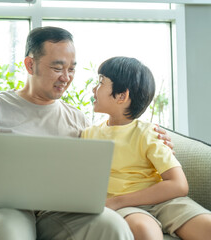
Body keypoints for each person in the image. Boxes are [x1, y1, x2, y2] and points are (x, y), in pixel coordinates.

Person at [0, 27, 172, 240]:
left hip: (58, 212)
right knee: (10, 233)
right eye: (58, 68)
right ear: (30, 65)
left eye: (72, 69)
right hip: (1, 205)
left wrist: (154, 138)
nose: (66, 77)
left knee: (113, 226)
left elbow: (117, 157)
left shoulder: (79, 120)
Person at [81, 56, 211, 240]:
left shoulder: (149, 133)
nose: (94, 89)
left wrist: (116, 201)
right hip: (128, 209)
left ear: (122, 96)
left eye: (101, 82)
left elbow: (179, 184)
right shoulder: (88, 135)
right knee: (145, 231)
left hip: (165, 202)